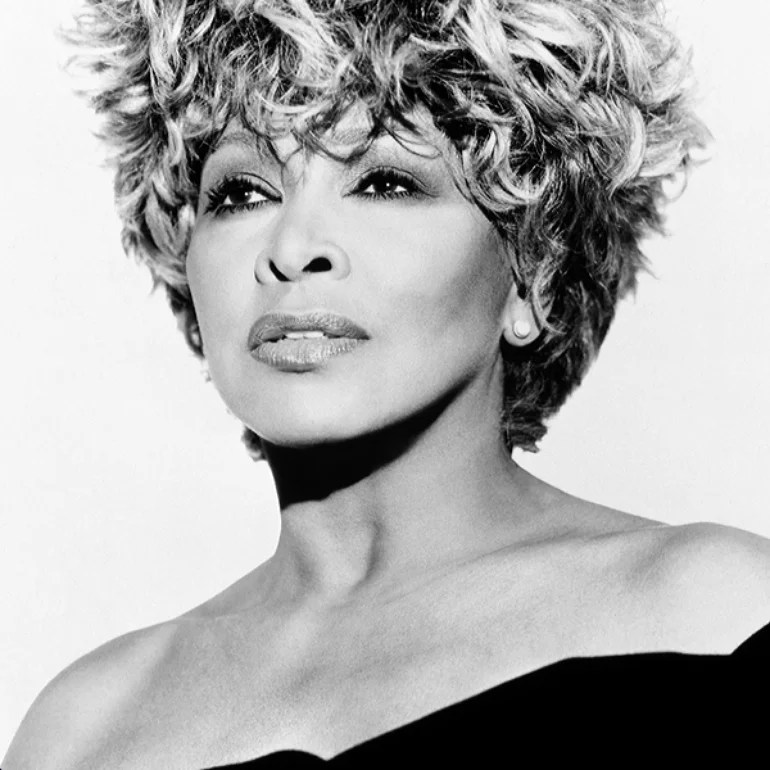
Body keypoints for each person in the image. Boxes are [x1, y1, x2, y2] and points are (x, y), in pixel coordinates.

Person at [4, 0, 769, 767]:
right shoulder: (82, 730)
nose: (293, 247)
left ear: (532, 277)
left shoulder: (709, 612)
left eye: (385, 182)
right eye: (241, 194)